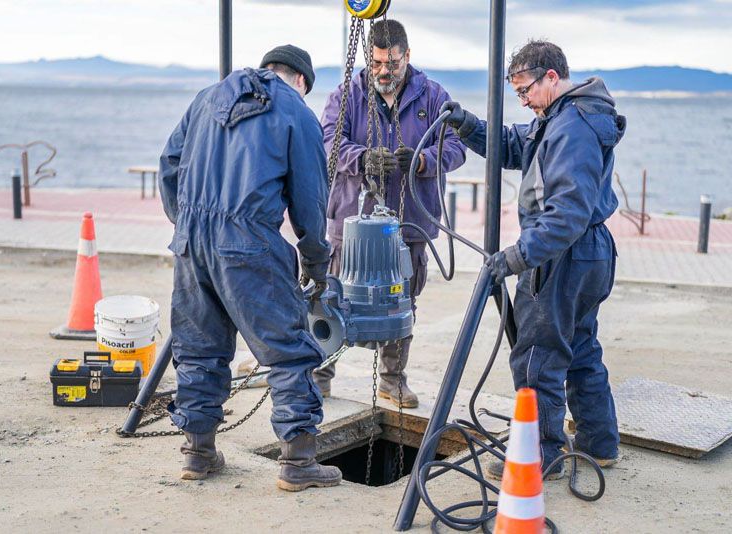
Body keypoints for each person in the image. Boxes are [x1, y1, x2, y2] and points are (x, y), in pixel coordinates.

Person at [158, 44, 341, 492]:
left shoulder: (207, 98)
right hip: (248, 243)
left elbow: (169, 165)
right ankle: (298, 462)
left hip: (191, 242)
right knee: (288, 350)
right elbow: (310, 199)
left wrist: (186, 222)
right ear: (301, 80)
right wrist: (316, 260)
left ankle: (198, 454)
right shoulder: (296, 111)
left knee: (199, 348)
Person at [443, 40, 625, 479]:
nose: (522, 101)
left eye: (525, 91)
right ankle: (599, 446)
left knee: (537, 357)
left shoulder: (572, 127)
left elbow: (567, 212)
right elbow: (513, 144)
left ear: (551, 77)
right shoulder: (561, 118)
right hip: (588, 253)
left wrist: (517, 257)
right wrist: (467, 126)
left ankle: (540, 456)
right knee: (579, 348)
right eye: (517, 93)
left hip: (562, 256)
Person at [319, 19, 467, 407]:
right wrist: (363, 157)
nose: (385, 72)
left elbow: (455, 146)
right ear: (368, 57)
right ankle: (318, 375)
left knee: (403, 301)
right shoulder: (346, 95)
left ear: (407, 56)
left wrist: (421, 161)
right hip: (351, 223)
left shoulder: (433, 97)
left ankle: (392, 379)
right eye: (379, 63)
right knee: (333, 296)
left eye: (394, 64)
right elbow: (328, 141)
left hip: (410, 221)